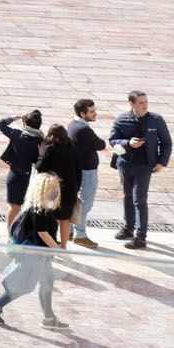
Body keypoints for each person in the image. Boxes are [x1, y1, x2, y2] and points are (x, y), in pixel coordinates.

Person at [0, 170, 68, 331]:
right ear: (41, 190)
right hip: (33, 255)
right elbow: (43, 233)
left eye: (56, 187)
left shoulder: (43, 207)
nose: (56, 191)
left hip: (40, 255)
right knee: (26, 286)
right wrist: (59, 250)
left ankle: (48, 318)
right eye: (52, 188)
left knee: (47, 283)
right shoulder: (39, 210)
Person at [109, 90, 172, 251]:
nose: (145, 105)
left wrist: (162, 162)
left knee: (139, 200)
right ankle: (128, 227)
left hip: (145, 166)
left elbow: (166, 143)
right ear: (132, 104)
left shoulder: (156, 120)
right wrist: (128, 143)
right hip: (125, 164)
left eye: (146, 102)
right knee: (127, 196)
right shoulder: (122, 119)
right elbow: (112, 140)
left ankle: (141, 237)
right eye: (141, 102)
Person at [65, 98, 106, 247]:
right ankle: (80, 235)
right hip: (87, 172)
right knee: (84, 205)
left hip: (77, 170)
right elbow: (100, 144)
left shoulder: (73, 124)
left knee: (76, 203)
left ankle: (68, 230)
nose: (95, 114)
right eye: (92, 112)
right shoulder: (84, 129)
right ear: (83, 113)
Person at [0, 111, 45, 228]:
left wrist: (16, 117)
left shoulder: (17, 135)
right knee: (26, 208)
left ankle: (11, 235)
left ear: (25, 123)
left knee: (14, 208)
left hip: (16, 176)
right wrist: (41, 154)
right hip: (33, 178)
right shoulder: (42, 142)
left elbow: (1, 124)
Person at [35, 122, 81, 243]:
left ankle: (53, 243)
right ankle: (64, 247)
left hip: (53, 190)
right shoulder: (75, 150)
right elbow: (79, 173)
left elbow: (40, 168)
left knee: (52, 218)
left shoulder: (51, 150)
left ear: (52, 136)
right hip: (70, 190)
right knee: (65, 220)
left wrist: (41, 154)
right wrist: (76, 189)